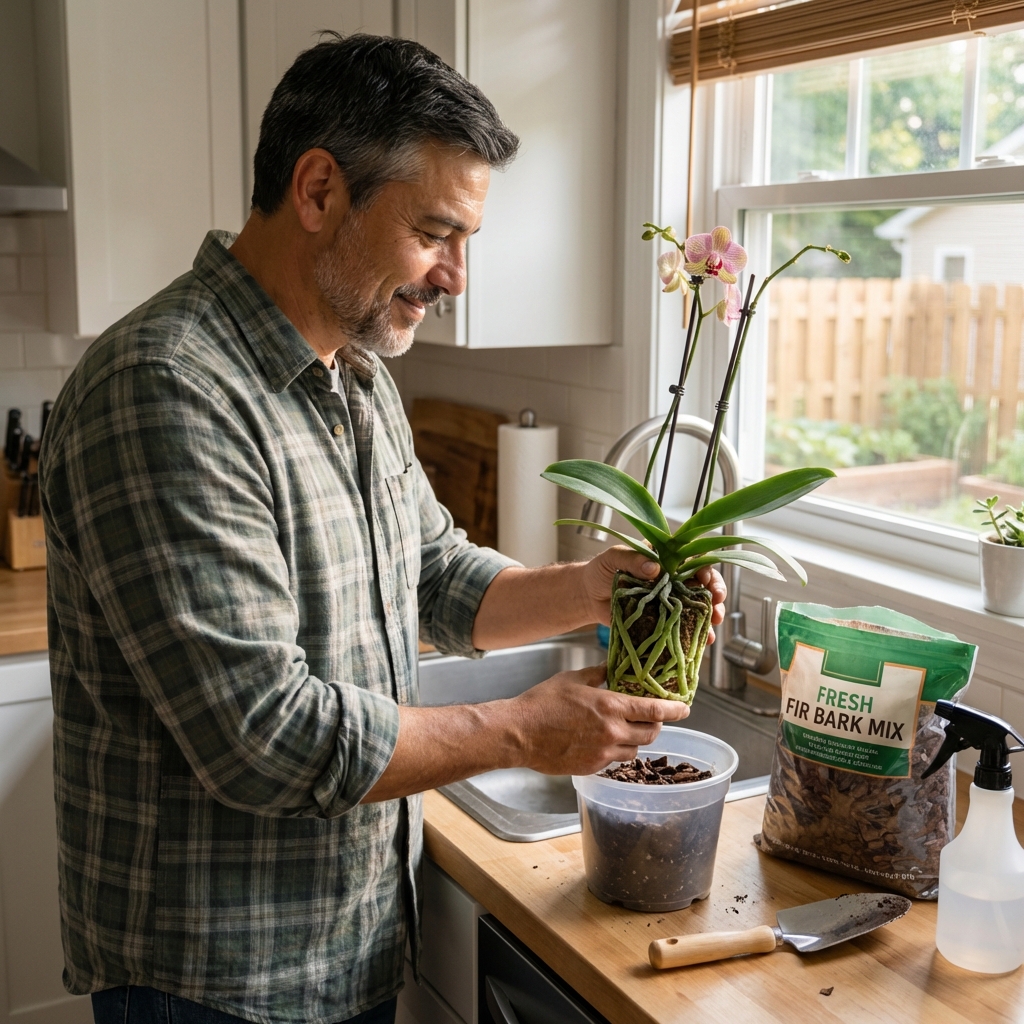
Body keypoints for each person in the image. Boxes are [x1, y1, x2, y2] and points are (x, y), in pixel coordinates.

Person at [39, 34, 725, 1024]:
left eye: (466, 241)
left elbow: (433, 576)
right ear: (318, 191)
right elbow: (262, 736)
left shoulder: (354, 376)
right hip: (214, 975)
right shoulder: (167, 389)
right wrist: (521, 729)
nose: (454, 275)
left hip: (348, 941)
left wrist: (594, 587)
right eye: (435, 232)